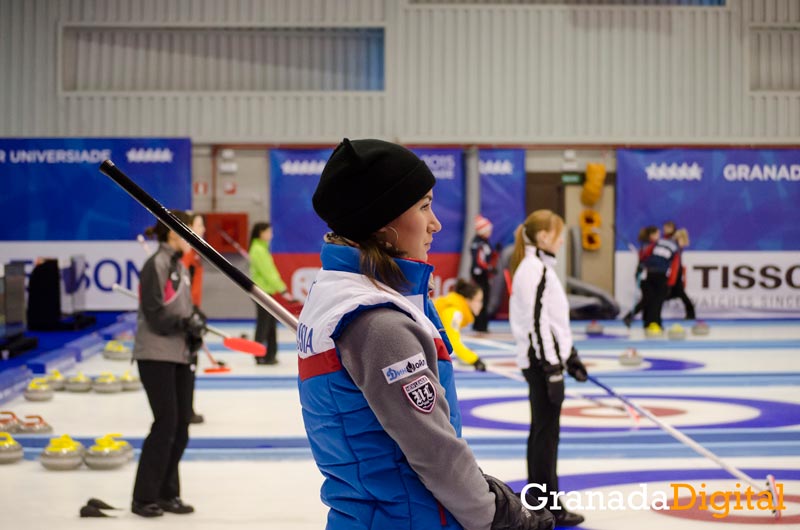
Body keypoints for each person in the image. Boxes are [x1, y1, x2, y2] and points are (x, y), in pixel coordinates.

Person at [299, 138, 553, 530]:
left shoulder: (343, 294)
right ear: (382, 225)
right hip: (407, 518)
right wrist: (494, 515)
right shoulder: (377, 322)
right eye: (423, 207)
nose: (435, 223)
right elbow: (433, 451)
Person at [508, 209, 588, 528]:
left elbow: (553, 323)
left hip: (545, 361)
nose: (562, 241)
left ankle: (542, 501)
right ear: (543, 237)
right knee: (545, 436)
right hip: (542, 365)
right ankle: (548, 506)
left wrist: (571, 356)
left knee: (543, 433)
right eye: (559, 234)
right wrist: (553, 369)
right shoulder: (534, 269)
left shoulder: (537, 267)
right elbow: (538, 325)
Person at [132, 210, 202, 518]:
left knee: (181, 425)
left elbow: (184, 308)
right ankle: (144, 496)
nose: (192, 238)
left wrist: (197, 322)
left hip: (179, 354)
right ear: (173, 233)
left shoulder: (179, 266)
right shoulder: (155, 264)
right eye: (188, 231)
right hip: (156, 354)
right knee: (166, 424)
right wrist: (186, 322)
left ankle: (167, 493)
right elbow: (156, 315)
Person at [249, 221, 293, 365]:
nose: (271, 235)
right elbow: (269, 273)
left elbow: (271, 272)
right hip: (261, 292)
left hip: (267, 292)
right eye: (268, 232)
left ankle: (270, 355)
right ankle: (259, 354)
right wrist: (283, 289)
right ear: (261, 233)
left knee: (270, 325)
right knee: (264, 325)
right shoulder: (258, 250)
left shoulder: (262, 248)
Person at [181, 212, 206, 424]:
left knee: (192, 364)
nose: (203, 229)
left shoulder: (194, 253)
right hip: (186, 314)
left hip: (193, 310)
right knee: (187, 364)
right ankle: (185, 410)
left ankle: (187, 408)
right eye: (199, 225)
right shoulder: (185, 255)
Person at [434, 279, 488, 372]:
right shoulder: (454, 312)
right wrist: (474, 360)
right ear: (468, 300)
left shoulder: (455, 307)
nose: (481, 305)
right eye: (479, 301)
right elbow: (453, 343)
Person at [639, 229, 681, 332]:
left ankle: (647, 323)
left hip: (649, 273)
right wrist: (670, 283)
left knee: (650, 299)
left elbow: (645, 255)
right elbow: (675, 267)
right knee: (657, 301)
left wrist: (642, 265)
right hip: (661, 275)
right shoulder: (675, 248)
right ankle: (656, 323)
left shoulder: (657, 243)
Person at [622, 225, 660, 328]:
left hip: (645, 273)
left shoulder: (649, 245)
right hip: (643, 275)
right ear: (651, 235)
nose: (659, 236)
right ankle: (629, 316)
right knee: (647, 299)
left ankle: (645, 320)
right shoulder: (649, 246)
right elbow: (645, 258)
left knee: (648, 299)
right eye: (657, 234)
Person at [470, 214, 497, 332]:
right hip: (480, 274)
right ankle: (481, 325)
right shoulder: (480, 243)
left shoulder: (482, 242)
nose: (490, 232)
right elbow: (480, 260)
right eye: (488, 230)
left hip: (480, 273)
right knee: (482, 298)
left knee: (481, 298)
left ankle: (479, 324)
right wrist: (489, 268)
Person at [666, 228, 695, 320]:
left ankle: (691, 314)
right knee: (673, 294)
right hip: (674, 273)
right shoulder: (674, 247)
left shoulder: (678, 248)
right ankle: (691, 313)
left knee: (679, 294)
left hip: (676, 273)